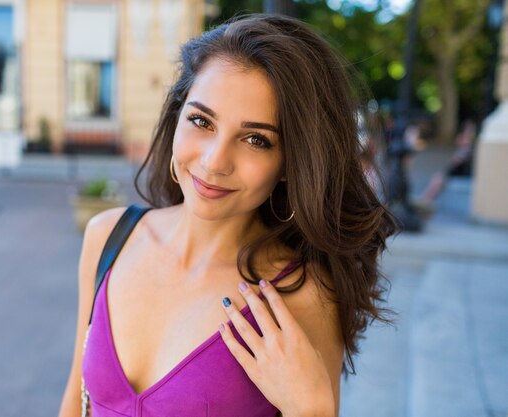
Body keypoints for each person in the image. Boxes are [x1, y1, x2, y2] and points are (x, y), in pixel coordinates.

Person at [58, 14, 396, 417]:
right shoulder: (108, 237)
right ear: (177, 116)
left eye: (256, 139)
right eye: (201, 120)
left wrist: (313, 407)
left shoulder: (303, 296)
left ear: (291, 163)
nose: (215, 161)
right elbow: (74, 402)